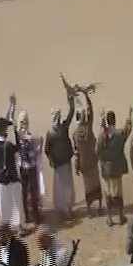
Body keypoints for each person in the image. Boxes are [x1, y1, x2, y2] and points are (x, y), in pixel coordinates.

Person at [44, 83, 76, 221]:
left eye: (57, 115)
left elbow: (71, 112)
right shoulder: (50, 133)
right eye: (55, 116)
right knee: (60, 188)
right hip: (58, 164)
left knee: (67, 186)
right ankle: (62, 209)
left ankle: (67, 209)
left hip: (66, 162)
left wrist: (70, 99)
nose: (56, 118)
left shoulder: (64, 127)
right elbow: (47, 150)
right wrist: (52, 160)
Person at [97, 108, 132, 226]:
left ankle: (109, 218)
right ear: (115, 121)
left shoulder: (102, 135)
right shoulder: (119, 134)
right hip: (117, 168)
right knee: (118, 194)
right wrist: (129, 116)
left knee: (108, 193)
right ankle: (121, 216)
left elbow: (97, 151)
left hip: (106, 169)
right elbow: (128, 131)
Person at [0, 116, 24, 233]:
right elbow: (18, 148)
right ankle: (18, 227)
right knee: (16, 203)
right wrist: (16, 133)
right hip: (12, 177)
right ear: (4, 129)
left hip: (1, 178)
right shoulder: (9, 145)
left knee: (4, 204)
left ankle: (6, 226)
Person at [72, 88, 102, 217]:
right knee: (96, 184)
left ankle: (90, 210)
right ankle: (99, 206)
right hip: (93, 161)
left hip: (83, 163)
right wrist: (86, 96)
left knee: (88, 186)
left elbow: (76, 153)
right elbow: (91, 111)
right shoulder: (88, 128)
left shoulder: (75, 134)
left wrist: (76, 167)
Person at [16, 111, 41, 225]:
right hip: (25, 167)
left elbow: (36, 151)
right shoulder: (19, 136)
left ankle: (33, 216)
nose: (23, 124)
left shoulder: (29, 136)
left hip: (28, 167)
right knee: (26, 192)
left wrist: (36, 147)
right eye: (22, 121)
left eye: (25, 121)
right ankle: (28, 216)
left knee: (31, 192)